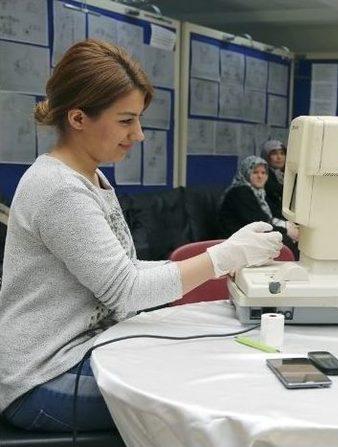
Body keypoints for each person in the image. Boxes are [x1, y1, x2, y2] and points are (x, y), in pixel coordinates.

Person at [0, 39, 283, 432]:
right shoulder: (59, 188)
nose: (139, 135)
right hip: (42, 378)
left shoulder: (90, 177)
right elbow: (126, 289)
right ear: (78, 118)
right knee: (202, 399)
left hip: (81, 354)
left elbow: (125, 271)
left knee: (210, 362)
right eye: (125, 120)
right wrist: (225, 256)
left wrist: (224, 257)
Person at [219, 155, 299, 256]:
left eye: (263, 173)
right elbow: (259, 222)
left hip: (252, 238)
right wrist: (286, 230)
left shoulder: (259, 192)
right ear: (246, 173)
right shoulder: (240, 192)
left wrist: (289, 223)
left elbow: (274, 212)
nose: (260, 176)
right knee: (284, 240)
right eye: (255, 172)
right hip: (235, 242)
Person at [260, 139, 286, 219]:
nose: (279, 157)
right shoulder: (262, 177)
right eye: (274, 154)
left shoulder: (283, 175)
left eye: (282, 153)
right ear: (266, 156)